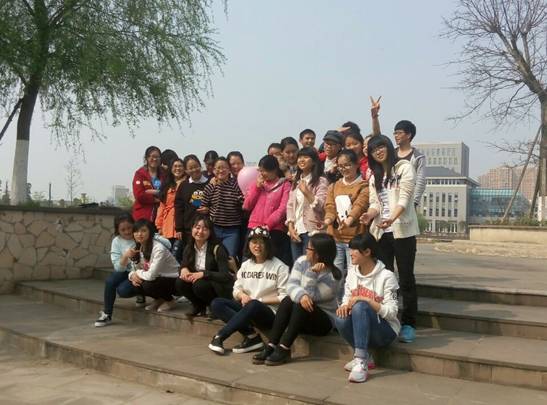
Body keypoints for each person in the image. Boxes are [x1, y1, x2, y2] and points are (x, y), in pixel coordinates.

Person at [361, 134, 420, 343]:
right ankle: (387, 317)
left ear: (388, 146)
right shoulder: (374, 177)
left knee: (406, 278)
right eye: (373, 149)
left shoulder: (404, 168)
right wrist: (369, 215)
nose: (378, 151)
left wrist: (392, 219)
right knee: (385, 277)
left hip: (403, 232)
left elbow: (404, 199)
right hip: (382, 233)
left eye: (381, 147)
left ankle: (409, 323)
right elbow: (375, 204)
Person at [253, 233, 341, 366]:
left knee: (301, 303)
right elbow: (291, 285)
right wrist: (301, 295)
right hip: (299, 316)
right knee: (289, 300)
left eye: (309, 248)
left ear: (318, 254)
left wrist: (312, 273)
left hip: (323, 321)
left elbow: (311, 297)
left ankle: (284, 348)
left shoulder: (334, 276)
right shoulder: (302, 261)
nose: (306, 250)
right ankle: (271, 345)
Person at [208, 227, 289, 355]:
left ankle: (220, 336)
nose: (257, 246)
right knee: (217, 303)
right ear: (249, 244)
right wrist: (242, 296)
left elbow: (284, 297)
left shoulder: (280, 267)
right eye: (254, 242)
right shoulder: (246, 265)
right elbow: (236, 289)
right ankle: (252, 337)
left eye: (261, 242)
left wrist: (259, 300)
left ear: (268, 245)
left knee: (254, 304)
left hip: (269, 313)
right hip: (247, 307)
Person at [335, 233, 400, 383]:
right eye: (350, 249)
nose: (350, 253)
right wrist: (344, 306)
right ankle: (364, 357)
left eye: (354, 250)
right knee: (340, 318)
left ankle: (360, 361)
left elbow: (392, 313)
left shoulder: (387, 276)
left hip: (385, 332)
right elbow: (346, 298)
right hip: (361, 327)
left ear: (367, 252)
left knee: (361, 307)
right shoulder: (352, 273)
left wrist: (367, 300)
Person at [324, 149, 369, 299]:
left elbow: (360, 205)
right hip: (335, 237)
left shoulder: (364, 185)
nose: (344, 169)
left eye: (348, 165)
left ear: (356, 165)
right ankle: (336, 304)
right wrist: (328, 220)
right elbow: (330, 206)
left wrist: (349, 220)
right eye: (341, 166)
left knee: (353, 273)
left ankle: (349, 303)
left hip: (354, 239)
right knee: (335, 273)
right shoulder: (334, 186)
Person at [175, 215, 234, 316]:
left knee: (199, 285)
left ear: (210, 232)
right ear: (192, 228)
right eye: (197, 227)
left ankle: (214, 307)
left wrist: (203, 274)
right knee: (180, 282)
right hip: (199, 283)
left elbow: (225, 275)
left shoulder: (218, 248)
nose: (200, 231)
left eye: (205, 229)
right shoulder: (189, 247)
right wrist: (183, 269)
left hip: (217, 286)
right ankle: (198, 306)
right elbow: (184, 264)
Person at [370, 97, 425, 207]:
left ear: (408, 135)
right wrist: (375, 117)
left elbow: (420, 182)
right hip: (389, 198)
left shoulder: (417, 157)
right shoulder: (391, 152)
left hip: (407, 202)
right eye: (394, 133)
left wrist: (414, 203)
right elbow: (377, 139)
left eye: (399, 133)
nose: (396, 136)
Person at [95, 213, 145, 326]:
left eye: (129, 228)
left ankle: (141, 292)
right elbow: (118, 268)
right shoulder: (116, 241)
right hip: (126, 270)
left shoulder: (139, 236)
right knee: (111, 281)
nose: (127, 232)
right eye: (123, 230)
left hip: (141, 271)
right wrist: (125, 256)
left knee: (124, 290)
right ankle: (107, 314)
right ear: (117, 230)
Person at [243, 155, 292, 266]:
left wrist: (268, 225)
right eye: (260, 171)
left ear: (274, 170)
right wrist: (256, 188)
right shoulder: (256, 184)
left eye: (264, 171)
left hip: (275, 230)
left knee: (271, 264)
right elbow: (247, 206)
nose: (261, 174)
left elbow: (282, 209)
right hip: (254, 227)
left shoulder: (285, 185)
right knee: (249, 262)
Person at [128, 219, 180, 312]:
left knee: (148, 285)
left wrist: (137, 273)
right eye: (136, 231)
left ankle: (170, 300)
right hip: (158, 278)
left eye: (143, 231)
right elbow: (133, 269)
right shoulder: (138, 247)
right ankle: (159, 299)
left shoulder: (159, 248)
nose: (139, 234)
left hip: (173, 280)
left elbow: (151, 275)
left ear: (150, 232)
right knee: (135, 283)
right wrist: (132, 276)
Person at [286, 147, 328, 260]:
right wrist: (290, 227)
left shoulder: (321, 181)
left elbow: (321, 207)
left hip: (312, 231)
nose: (301, 160)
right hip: (296, 230)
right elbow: (290, 206)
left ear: (314, 161)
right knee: (297, 265)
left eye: (306, 157)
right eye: (300, 157)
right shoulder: (296, 181)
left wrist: (307, 192)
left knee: (310, 265)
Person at [200, 157, 244, 258]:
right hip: (214, 228)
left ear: (229, 170)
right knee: (213, 257)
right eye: (218, 168)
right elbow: (204, 205)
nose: (221, 170)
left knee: (229, 257)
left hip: (232, 230)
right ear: (214, 170)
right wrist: (205, 209)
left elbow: (242, 202)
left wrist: (242, 200)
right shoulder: (210, 187)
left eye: (224, 167)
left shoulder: (236, 184)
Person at [174, 154, 209, 246]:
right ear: (186, 170)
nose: (194, 170)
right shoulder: (183, 186)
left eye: (196, 166)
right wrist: (179, 228)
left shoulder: (210, 182)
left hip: (207, 229)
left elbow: (217, 203)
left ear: (200, 166)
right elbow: (179, 208)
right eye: (190, 168)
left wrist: (209, 209)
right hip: (189, 229)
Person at [156, 158, 186, 261]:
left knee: (177, 255)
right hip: (167, 224)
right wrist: (159, 225)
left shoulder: (188, 182)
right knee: (167, 255)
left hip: (181, 224)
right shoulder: (167, 184)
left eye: (180, 166)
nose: (178, 169)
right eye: (175, 166)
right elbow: (162, 206)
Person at [132, 146, 164, 221]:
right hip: (143, 215)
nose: (155, 159)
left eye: (157, 157)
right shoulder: (140, 174)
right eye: (152, 157)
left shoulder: (163, 174)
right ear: (146, 158)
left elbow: (166, 193)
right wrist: (157, 199)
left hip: (160, 216)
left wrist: (151, 192)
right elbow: (139, 195)